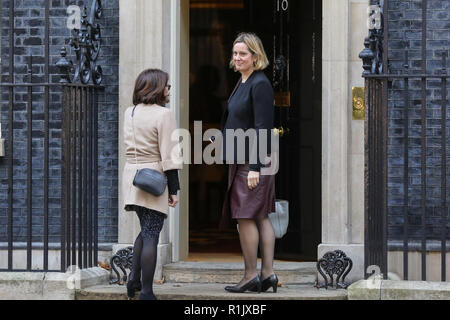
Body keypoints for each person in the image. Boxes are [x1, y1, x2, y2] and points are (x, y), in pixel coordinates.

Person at [219, 33, 278, 293]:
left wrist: (255, 166)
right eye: (235, 53)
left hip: (253, 161)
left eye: (243, 53)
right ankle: (267, 276)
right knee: (260, 216)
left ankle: (251, 275)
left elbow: (262, 127)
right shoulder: (242, 81)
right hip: (242, 159)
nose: (238, 58)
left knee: (245, 216)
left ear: (256, 56)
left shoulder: (260, 83)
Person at [122, 69, 182, 300]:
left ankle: (134, 280)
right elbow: (170, 155)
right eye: (167, 86)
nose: (168, 90)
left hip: (133, 178)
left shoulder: (131, 112)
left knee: (145, 230)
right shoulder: (164, 115)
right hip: (154, 178)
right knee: (152, 234)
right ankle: (146, 291)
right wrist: (174, 189)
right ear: (157, 88)